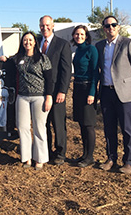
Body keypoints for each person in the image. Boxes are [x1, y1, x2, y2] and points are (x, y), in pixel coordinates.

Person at [96, 16, 131, 174]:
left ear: (118, 27)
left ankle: (129, 161)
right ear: (104, 28)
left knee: (127, 129)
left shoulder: (128, 44)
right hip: (106, 92)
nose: (111, 28)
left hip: (124, 94)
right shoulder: (100, 46)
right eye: (107, 26)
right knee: (109, 128)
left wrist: (128, 83)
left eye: (113, 25)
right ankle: (111, 158)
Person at [0, 32, 54, 170]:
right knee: (23, 127)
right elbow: (8, 63)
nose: (27, 42)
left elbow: (49, 80)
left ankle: (40, 159)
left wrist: (49, 96)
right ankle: (27, 158)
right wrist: (3, 59)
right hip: (22, 97)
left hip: (39, 97)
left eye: (30, 40)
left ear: (35, 42)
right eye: (25, 40)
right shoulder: (18, 58)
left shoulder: (43, 58)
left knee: (39, 128)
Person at [39, 15, 72, 165]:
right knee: (43, 123)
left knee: (58, 123)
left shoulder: (62, 44)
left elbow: (66, 70)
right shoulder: (36, 44)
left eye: (47, 25)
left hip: (56, 91)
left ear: (52, 26)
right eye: (42, 26)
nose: (44, 28)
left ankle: (60, 153)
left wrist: (62, 91)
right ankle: (45, 150)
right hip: (39, 91)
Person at [71, 25, 99, 167]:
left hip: (88, 88)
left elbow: (95, 72)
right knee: (81, 123)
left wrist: (92, 93)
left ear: (86, 36)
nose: (79, 36)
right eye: (76, 34)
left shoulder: (91, 50)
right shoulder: (77, 51)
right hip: (78, 88)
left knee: (88, 125)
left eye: (82, 34)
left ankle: (90, 157)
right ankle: (84, 154)